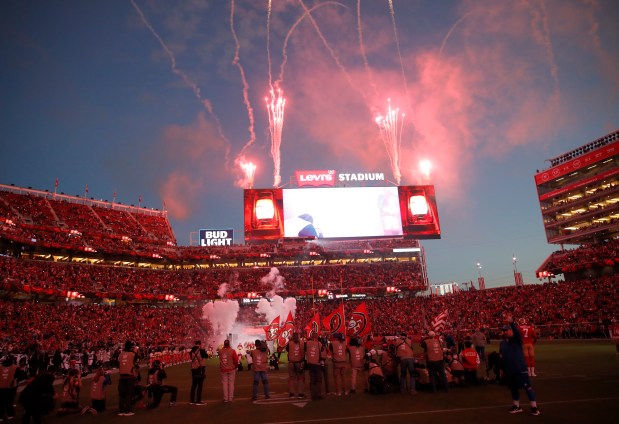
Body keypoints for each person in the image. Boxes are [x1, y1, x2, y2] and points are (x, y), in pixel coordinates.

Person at [500, 317, 540, 416]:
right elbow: (502, 357)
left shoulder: (516, 340)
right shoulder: (502, 343)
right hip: (510, 370)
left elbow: (517, 333)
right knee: (513, 388)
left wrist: (512, 323)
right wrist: (502, 369)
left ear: (511, 330)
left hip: (520, 369)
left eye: (507, 330)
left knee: (527, 387)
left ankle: (534, 407)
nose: (505, 332)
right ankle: (517, 406)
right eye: (504, 330)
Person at [117, 340, 139, 416]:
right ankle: (128, 410)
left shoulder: (121, 354)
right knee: (128, 394)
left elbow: (118, 364)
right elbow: (136, 365)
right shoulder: (133, 354)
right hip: (129, 376)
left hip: (121, 376)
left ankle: (121, 410)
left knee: (121, 394)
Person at [0, 355, 25, 420]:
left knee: (1, 402)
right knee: (9, 401)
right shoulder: (15, 367)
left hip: (1, 386)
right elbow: (19, 376)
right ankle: (10, 415)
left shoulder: (0, 367)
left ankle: (1, 416)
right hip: (11, 387)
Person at [286, 332, 306, 398]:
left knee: (291, 379)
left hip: (292, 363)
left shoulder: (289, 344)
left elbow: (287, 350)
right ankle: (300, 393)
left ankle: (292, 393)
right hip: (299, 363)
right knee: (300, 378)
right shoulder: (303, 343)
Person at [189, 340, 208, 405]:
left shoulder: (191, 351)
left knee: (194, 385)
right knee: (200, 385)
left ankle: (192, 400)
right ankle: (198, 400)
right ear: (200, 344)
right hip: (200, 368)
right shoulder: (201, 350)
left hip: (193, 368)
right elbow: (207, 356)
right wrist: (204, 350)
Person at [305, 333, 323, 400]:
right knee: (318, 380)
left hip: (310, 364)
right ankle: (318, 394)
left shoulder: (307, 343)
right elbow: (322, 351)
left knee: (312, 381)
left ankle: (313, 395)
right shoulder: (319, 344)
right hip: (317, 364)